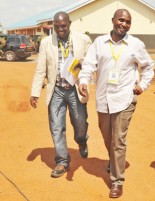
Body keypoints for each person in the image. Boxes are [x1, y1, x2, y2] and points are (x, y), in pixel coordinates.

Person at [78, 9, 154, 198]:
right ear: (113, 21)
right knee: (107, 137)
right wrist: (83, 81)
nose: (124, 24)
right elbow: (88, 65)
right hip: (104, 99)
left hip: (125, 99)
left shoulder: (135, 44)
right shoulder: (99, 43)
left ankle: (117, 181)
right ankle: (114, 161)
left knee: (118, 140)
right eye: (121, 20)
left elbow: (148, 66)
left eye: (128, 22)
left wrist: (142, 84)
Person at [30, 11, 92, 178]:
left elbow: (92, 64)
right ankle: (62, 161)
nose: (60, 29)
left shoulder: (83, 40)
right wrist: (35, 92)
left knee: (79, 125)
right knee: (56, 127)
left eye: (63, 26)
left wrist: (80, 65)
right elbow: (41, 69)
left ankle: (82, 140)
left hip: (76, 90)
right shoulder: (46, 43)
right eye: (57, 27)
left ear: (69, 24)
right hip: (56, 90)